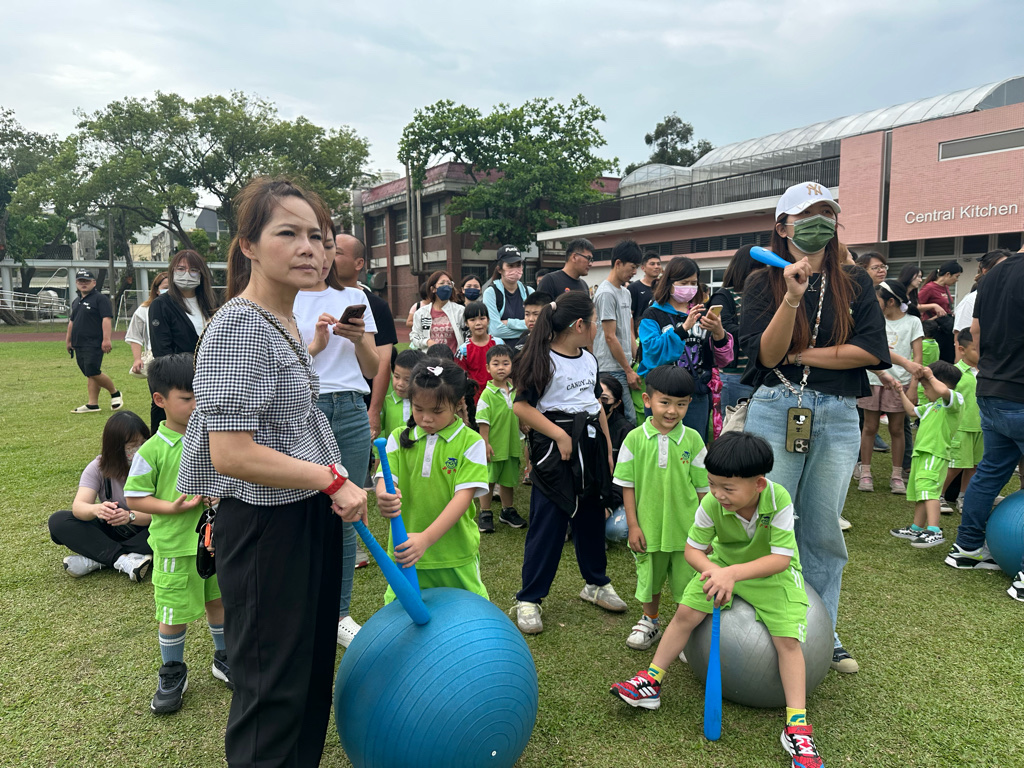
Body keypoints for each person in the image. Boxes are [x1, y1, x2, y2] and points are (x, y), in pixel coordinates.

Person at [177, 176, 367, 767]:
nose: (310, 248)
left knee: (308, 677)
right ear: (248, 246)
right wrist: (331, 479)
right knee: (273, 691)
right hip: (265, 528)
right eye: (288, 233)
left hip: (302, 515)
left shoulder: (283, 321)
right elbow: (230, 453)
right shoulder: (239, 325)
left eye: (319, 236)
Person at [739, 181, 890, 674]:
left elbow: (870, 350)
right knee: (769, 519)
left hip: (839, 413)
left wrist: (801, 354)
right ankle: (761, 617)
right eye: (806, 214)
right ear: (783, 227)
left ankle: (823, 627)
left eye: (826, 212)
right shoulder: (762, 281)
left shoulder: (855, 281)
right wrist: (791, 297)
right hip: (775, 406)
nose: (818, 221)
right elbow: (765, 355)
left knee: (823, 527)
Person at [610, 432, 825, 768]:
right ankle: (652, 681)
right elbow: (693, 551)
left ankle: (796, 725)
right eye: (712, 484)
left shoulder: (778, 498)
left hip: (770, 575)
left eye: (728, 487)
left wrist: (732, 574)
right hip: (721, 567)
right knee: (684, 614)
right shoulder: (711, 504)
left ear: (758, 484)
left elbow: (781, 559)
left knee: (787, 640)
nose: (718, 494)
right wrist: (717, 572)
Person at [511, 292, 627, 635]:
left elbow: (594, 404)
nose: (596, 327)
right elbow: (521, 406)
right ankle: (529, 598)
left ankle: (596, 583)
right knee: (549, 521)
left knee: (591, 516)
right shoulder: (541, 359)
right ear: (579, 325)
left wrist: (607, 447)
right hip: (555, 449)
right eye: (594, 322)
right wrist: (560, 436)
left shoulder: (589, 359)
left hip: (591, 447)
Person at [123, 353, 228, 714]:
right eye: (187, 398)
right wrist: (172, 507)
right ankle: (172, 671)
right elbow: (134, 497)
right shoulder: (152, 450)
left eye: (201, 395)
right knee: (172, 614)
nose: (197, 404)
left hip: (214, 543)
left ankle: (224, 658)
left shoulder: (215, 438)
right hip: (173, 548)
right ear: (160, 400)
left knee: (218, 601)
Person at [294, 222, 379, 649]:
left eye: (327, 244)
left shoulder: (355, 297)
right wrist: (315, 345)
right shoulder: (284, 296)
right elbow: (283, 368)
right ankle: (302, 607)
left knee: (348, 512)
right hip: (304, 408)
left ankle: (340, 613)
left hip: (349, 408)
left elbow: (372, 367)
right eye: (314, 242)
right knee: (300, 511)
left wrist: (358, 339)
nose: (321, 252)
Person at [375, 359, 490, 600]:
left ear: (458, 404)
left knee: (466, 615)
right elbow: (385, 480)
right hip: (405, 552)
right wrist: (383, 495)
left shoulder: (471, 443)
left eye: (436, 411)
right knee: (403, 616)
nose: (426, 418)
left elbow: (462, 499)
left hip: (455, 555)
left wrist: (426, 539)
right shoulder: (397, 438)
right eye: (418, 409)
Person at [613, 365, 709, 652]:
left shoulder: (693, 439)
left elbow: (704, 490)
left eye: (681, 404)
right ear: (647, 400)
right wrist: (633, 525)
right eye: (665, 402)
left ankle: (685, 634)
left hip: (687, 532)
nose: (672, 411)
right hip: (649, 527)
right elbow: (627, 486)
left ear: (689, 403)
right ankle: (650, 621)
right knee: (650, 580)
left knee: (687, 584)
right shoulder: (634, 438)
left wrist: (707, 532)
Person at [946, 250, 1024, 600]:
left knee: (990, 471)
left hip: (991, 389)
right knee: (990, 471)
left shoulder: (992, 275)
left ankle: (966, 548)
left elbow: (974, 332)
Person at [638, 257, 733, 442]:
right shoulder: (653, 314)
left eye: (693, 283)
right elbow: (651, 353)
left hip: (695, 394)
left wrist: (719, 333)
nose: (689, 288)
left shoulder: (702, 314)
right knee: (660, 444)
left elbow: (724, 359)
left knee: (692, 445)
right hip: (662, 394)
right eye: (683, 283)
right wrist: (682, 329)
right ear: (669, 283)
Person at [49, 410, 153, 580]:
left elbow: (162, 512)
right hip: (113, 528)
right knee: (58, 521)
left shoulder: (154, 462)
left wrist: (130, 516)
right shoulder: (98, 467)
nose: (139, 449)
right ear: (115, 447)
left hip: (146, 529)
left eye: (144, 442)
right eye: (133, 445)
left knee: (170, 529)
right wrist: (97, 510)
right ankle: (124, 559)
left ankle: (99, 557)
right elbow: (79, 507)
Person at [856, 279, 923, 495]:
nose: (875, 305)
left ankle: (896, 475)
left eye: (878, 301)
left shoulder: (913, 322)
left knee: (897, 429)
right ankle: (865, 472)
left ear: (891, 301)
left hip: (900, 383)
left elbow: (918, 358)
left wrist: (913, 387)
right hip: (872, 380)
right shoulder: (875, 320)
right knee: (869, 427)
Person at [889, 362, 964, 548]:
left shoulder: (954, 400)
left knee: (929, 491)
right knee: (922, 491)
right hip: (922, 454)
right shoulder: (932, 405)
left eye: (927, 387)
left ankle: (934, 530)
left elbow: (944, 391)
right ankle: (917, 528)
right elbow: (911, 411)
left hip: (934, 454)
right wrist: (900, 392)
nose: (924, 390)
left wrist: (930, 377)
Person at [148, 250, 217, 433]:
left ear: (202, 274)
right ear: (172, 272)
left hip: (211, 383)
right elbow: (162, 352)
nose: (187, 274)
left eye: (193, 270)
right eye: (180, 269)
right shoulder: (161, 305)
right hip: (177, 384)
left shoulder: (212, 304)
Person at [476, 345, 527, 532]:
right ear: (488, 368)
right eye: (496, 364)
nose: (501, 367)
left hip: (511, 445)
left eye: (505, 363)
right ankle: (485, 512)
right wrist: (485, 443)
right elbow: (483, 422)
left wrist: (523, 424)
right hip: (494, 446)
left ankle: (507, 510)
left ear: (512, 366)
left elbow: (519, 412)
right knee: (489, 480)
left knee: (508, 480)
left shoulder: (514, 390)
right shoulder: (487, 394)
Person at [709, 245, 767, 410]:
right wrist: (759, 334)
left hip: (762, 373)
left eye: (764, 269)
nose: (761, 274)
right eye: (756, 268)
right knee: (735, 422)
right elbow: (725, 328)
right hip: (735, 375)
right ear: (743, 269)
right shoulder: (725, 295)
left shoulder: (765, 296)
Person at [594, 240, 643, 424]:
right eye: (633, 267)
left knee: (627, 415)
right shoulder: (606, 293)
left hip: (624, 365)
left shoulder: (625, 292)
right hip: (610, 368)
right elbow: (609, 336)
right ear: (618, 263)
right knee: (627, 417)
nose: (635, 272)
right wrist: (628, 370)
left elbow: (628, 330)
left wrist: (636, 359)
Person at [66, 269, 122, 414]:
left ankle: (115, 393)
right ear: (76, 283)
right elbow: (72, 322)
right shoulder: (76, 301)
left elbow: (106, 319)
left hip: (94, 342)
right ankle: (93, 404)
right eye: (80, 281)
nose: (83, 284)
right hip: (79, 342)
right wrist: (68, 340)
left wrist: (106, 339)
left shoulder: (100, 299)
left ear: (94, 283)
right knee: (89, 372)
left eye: (87, 281)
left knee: (92, 370)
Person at [942, 330, 982, 512]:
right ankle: (938, 495)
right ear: (962, 349)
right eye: (976, 349)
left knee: (974, 466)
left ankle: (964, 497)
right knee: (955, 465)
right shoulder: (955, 373)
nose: (980, 353)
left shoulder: (986, 372)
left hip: (982, 428)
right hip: (961, 428)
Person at [952, 249, 1010, 348]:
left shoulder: (1012, 297)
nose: (1007, 272)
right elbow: (960, 340)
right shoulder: (971, 300)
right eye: (1002, 267)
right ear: (985, 271)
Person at [484, 244, 535, 344]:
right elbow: (495, 331)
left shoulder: (530, 292)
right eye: (510, 266)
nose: (515, 270)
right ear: (499, 269)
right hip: (501, 352)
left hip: (528, 350)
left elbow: (539, 324)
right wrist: (528, 330)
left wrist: (509, 323)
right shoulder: (491, 293)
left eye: (518, 265)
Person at [125, 271, 169, 378]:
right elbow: (134, 335)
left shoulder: (186, 308)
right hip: (156, 359)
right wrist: (137, 359)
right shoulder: (144, 309)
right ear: (157, 290)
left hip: (182, 358)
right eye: (166, 287)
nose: (170, 291)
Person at [917, 260, 963, 362]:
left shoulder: (946, 288)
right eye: (956, 276)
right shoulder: (929, 288)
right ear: (948, 274)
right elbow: (915, 306)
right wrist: (934, 306)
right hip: (935, 330)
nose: (957, 280)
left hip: (946, 329)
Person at [409, 270, 465, 353]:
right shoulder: (421, 313)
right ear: (433, 289)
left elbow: (467, 334)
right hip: (429, 358)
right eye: (442, 283)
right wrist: (427, 342)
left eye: (449, 283)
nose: (446, 286)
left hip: (454, 358)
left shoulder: (460, 311)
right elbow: (414, 336)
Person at [455, 300, 502, 397]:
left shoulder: (498, 344)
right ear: (466, 323)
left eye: (482, 318)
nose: (478, 323)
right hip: (475, 398)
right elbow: (460, 378)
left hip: (498, 395)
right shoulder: (463, 351)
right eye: (472, 320)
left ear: (488, 320)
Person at [383, 349, 427, 441]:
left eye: (407, 380)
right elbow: (377, 430)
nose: (400, 384)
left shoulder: (426, 404)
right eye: (396, 377)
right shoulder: (386, 402)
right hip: (392, 449)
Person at [628, 251, 661, 334]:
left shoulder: (665, 288)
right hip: (641, 335)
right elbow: (629, 316)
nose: (656, 267)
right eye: (652, 264)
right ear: (643, 268)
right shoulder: (634, 287)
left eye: (658, 264)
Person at [510, 291, 551, 357]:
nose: (531, 319)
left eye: (536, 314)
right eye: (527, 314)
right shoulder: (521, 345)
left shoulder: (557, 342)